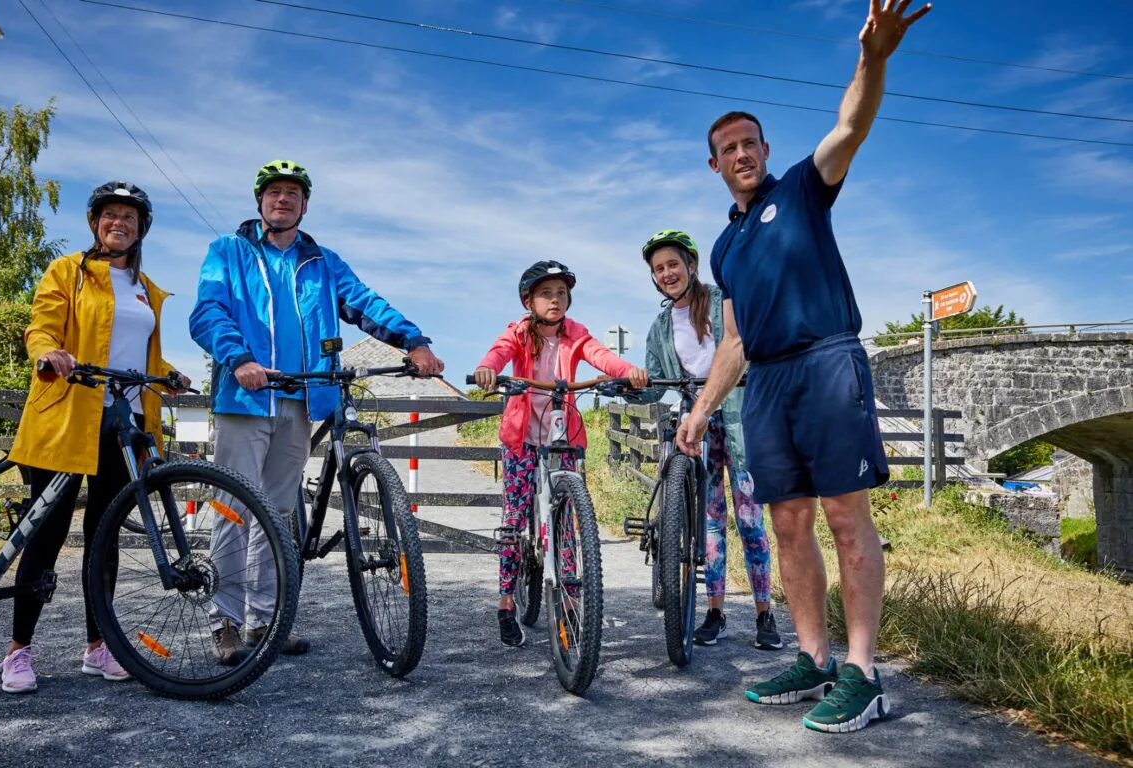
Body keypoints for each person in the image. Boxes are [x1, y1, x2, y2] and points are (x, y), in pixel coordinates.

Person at [677, 0, 932, 733]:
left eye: (750, 141)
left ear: (764, 148)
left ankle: (862, 672)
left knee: (845, 519)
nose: (742, 153)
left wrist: (874, 57)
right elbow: (733, 342)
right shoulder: (723, 250)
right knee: (787, 524)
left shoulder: (803, 188)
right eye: (728, 147)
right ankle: (814, 658)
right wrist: (699, 412)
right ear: (715, 163)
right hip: (767, 385)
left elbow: (851, 124)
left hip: (825, 363)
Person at [190, 159, 444, 665]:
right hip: (246, 397)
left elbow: (365, 304)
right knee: (233, 510)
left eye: (292, 194)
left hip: (301, 400)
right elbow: (208, 311)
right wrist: (238, 358)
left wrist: (413, 341)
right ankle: (226, 622)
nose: (282, 200)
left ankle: (268, 620)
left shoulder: (323, 262)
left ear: (305, 205)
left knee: (280, 514)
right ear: (259, 202)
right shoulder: (229, 252)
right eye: (274, 193)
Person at [0, 181, 189, 693]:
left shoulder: (146, 288)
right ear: (95, 223)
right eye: (109, 215)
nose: (118, 223)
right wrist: (49, 353)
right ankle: (18, 652)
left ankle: (98, 646)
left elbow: (134, 351)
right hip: (65, 420)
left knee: (103, 540)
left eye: (128, 216)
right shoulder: (68, 273)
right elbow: (41, 327)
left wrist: (168, 373)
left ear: (141, 227)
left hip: (122, 427)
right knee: (48, 533)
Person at [473, 261, 647, 647]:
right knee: (514, 519)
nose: (555, 300)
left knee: (567, 523)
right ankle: (505, 601)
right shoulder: (519, 333)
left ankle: (570, 600)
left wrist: (627, 370)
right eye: (546, 294)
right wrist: (488, 368)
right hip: (523, 439)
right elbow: (499, 352)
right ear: (529, 301)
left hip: (561, 436)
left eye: (561, 294)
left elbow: (601, 356)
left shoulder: (575, 333)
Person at [633, 230, 780, 651]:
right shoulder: (660, 326)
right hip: (695, 426)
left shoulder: (721, 302)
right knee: (710, 521)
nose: (666, 274)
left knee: (751, 519)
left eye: (672, 265)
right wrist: (629, 382)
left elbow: (743, 349)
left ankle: (764, 613)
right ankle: (715, 611)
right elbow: (655, 384)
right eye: (658, 269)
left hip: (739, 419)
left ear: (691, 265)